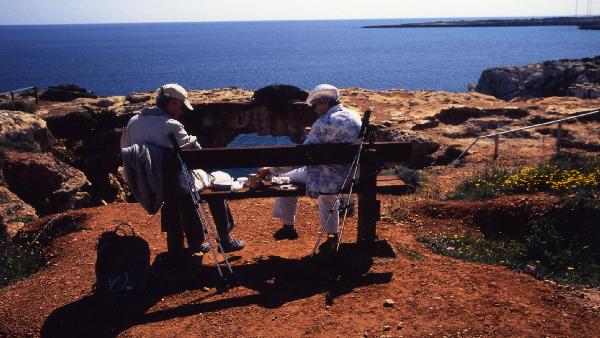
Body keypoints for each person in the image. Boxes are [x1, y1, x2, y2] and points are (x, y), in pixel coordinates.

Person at [121, 83, 245, 265]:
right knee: (217, 182)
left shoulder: (133, 122)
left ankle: (193, 243)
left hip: (149, 183)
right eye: (181, 106)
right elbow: (196, 156)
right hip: (175, 183)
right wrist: (193, 140)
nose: (182, 112)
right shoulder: (171, 125)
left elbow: (126, 151)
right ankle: (225, 239)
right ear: (172, 103)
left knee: (180, 194)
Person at [257, 84, 362, 251]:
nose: (314, 110)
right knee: (325, 195)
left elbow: (301, 157)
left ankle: (288, 226)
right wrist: (313, 133)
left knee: (285, 178)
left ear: (325, 102)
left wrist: (270, 170)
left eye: (315, 105)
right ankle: (331, 238)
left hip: (327, 177)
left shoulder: (323, 123)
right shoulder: (354, 115)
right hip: (351, 175)